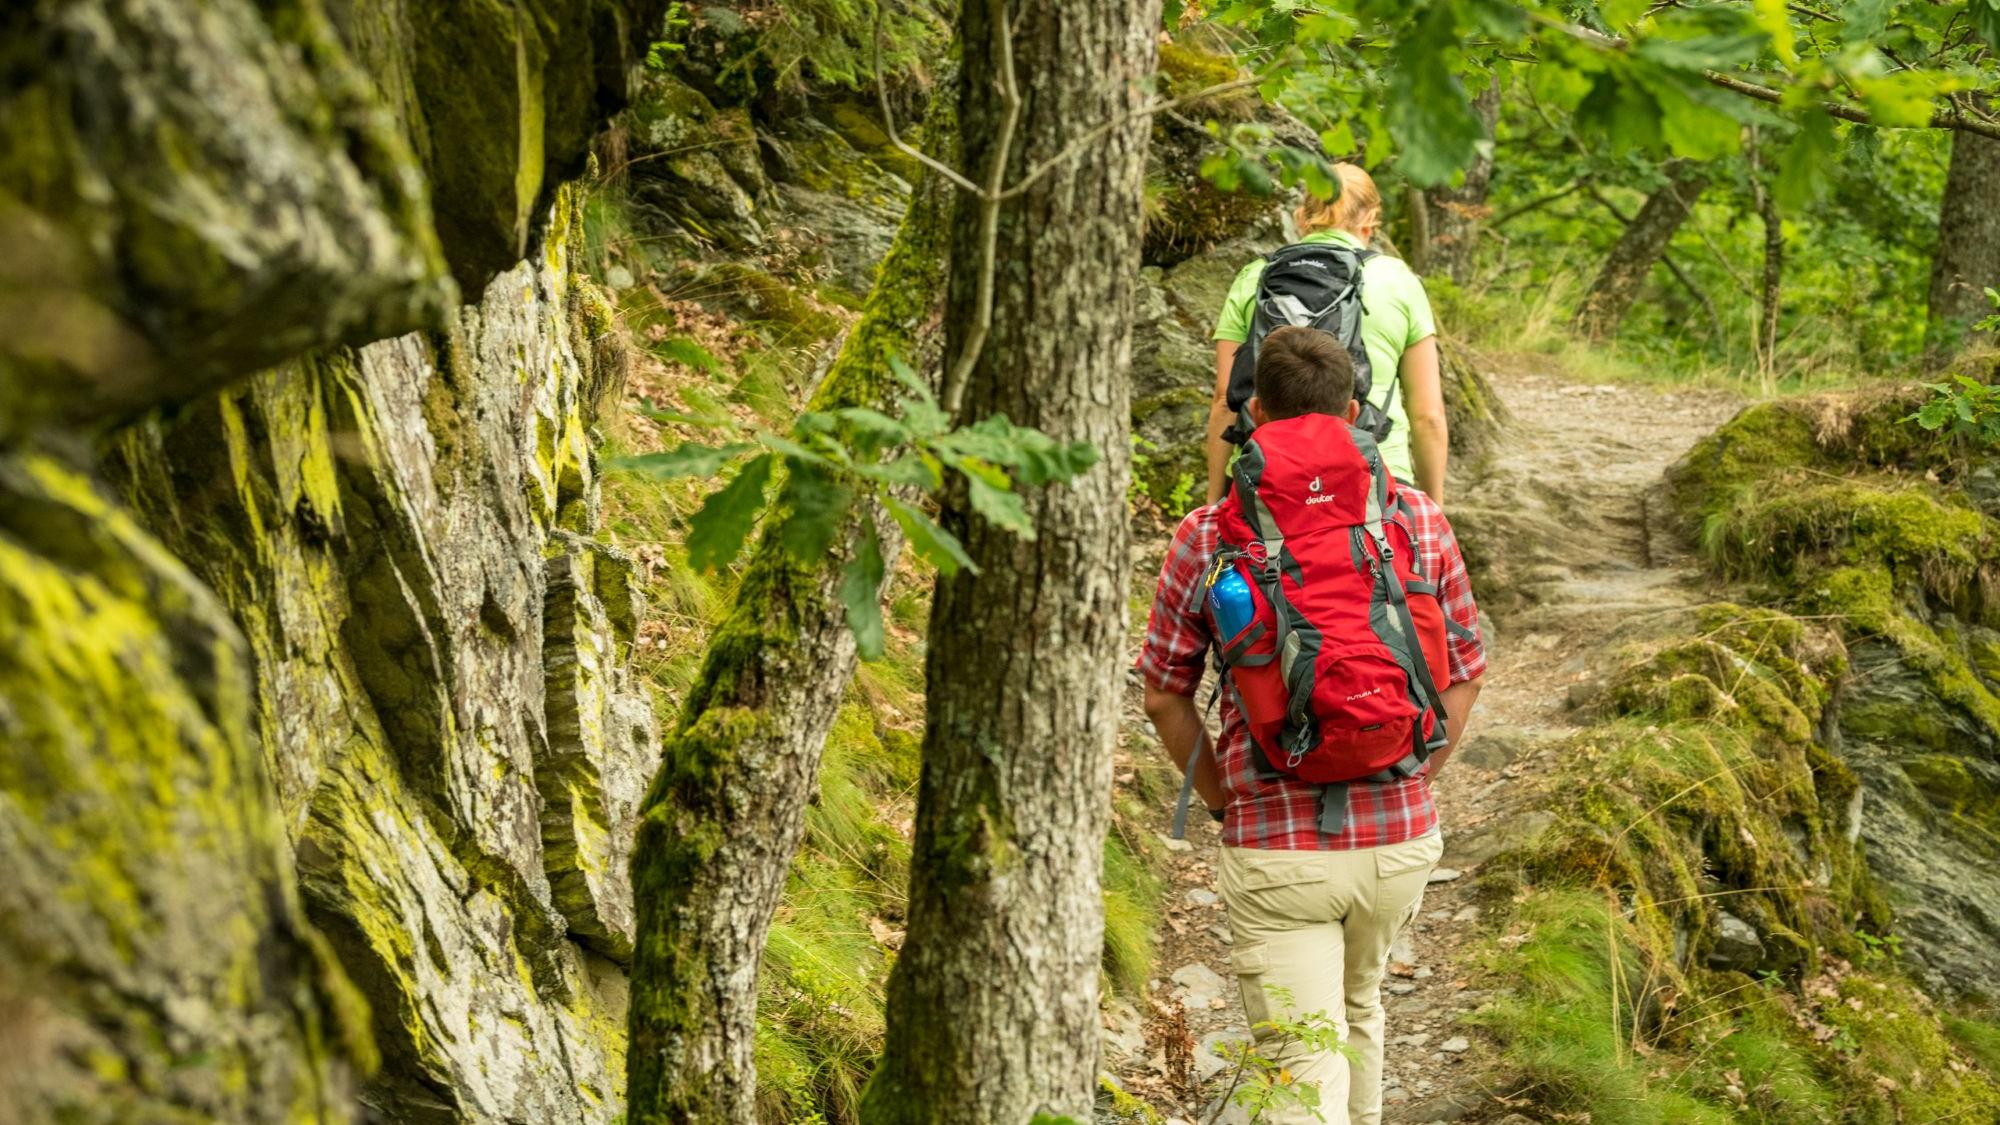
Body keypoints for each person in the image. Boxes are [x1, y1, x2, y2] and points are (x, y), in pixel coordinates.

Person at [1141, 327, 1486, 1125]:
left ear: (1255, 412)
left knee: (1301, 1066)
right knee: (1359, 1010)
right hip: (1400, 840)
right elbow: (1465, 666)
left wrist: (1229, 800)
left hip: (1278, 848)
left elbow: (1164, 693)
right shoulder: (1418, 519)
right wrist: (1416, 767)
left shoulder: (1207, 533)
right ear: (1357, 411)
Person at [1206, 163, 1447, 506]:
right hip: (1377, 471)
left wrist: (1215, 501)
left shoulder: (1256, 276)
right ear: (1370, 219)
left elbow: (1223, 399)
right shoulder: (1397, 280)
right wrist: (1433, 508)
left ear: (1301, 215)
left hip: (1265, 475)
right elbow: (1429, 416)